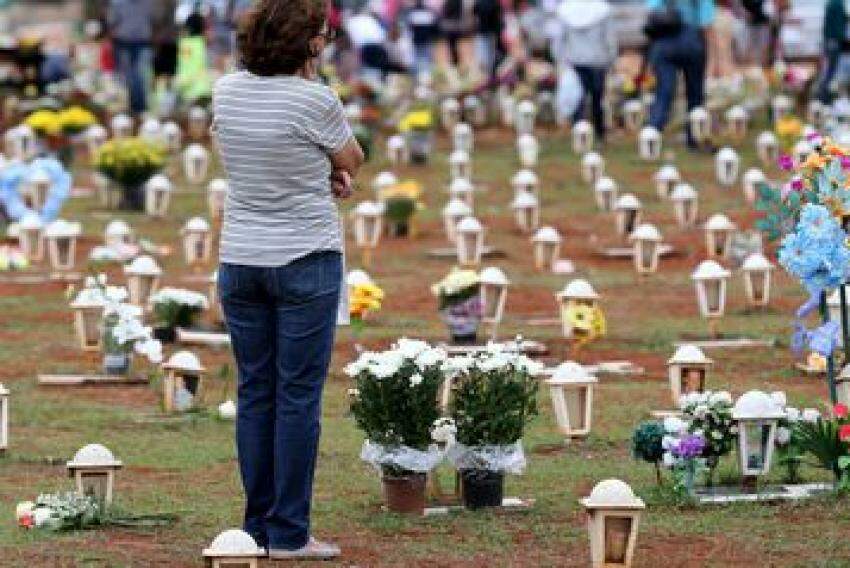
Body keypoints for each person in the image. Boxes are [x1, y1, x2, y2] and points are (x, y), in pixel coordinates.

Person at [212, 0, 364, 560]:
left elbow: (234, 154)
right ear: (310, 45)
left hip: (242, 259)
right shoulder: (315, 98)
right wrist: (330, 172)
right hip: (305, 256)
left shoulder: (227, 91)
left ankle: (256, 526)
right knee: (297, 397)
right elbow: (354, 157)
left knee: (256, 392)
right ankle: (290, 533)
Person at [645, 0, 715, 150]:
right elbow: (706, 21)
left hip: (664, 40)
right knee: (695, 94)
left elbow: (651, 9)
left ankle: (651, 136)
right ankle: (696, 137)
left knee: (664, 91)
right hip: (691, 39)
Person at [554, 0, 618, 140]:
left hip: (575, 59)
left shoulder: (565, 10)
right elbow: (609, 37)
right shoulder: (603, 10)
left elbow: (559, 39)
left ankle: (579, 133)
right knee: (597, 98)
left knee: (578, 97)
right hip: (598, 60)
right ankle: (599, 132)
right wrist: (612, 58)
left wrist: (560, 59)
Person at [107, 0, 154, 115]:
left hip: (143, 43)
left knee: (141, 74)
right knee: (128, 76)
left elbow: (154, 21)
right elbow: (111, 22)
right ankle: (131, 107)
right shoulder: (118, 3)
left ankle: (141, 108)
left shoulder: (148, 3)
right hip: (124, 43)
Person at [818, 0, 849, 104]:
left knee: (828, 70)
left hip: (829, 40)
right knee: (830, 71)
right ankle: (824, 96)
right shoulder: (838, 4)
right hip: (835, 41)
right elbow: (839, 24)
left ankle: (823, 95)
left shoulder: (831, 3)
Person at [406, 0, 440, 78]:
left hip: (417, 40)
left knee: (417, 59)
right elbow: (435, 27)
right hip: (426, 40)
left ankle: (419, 76)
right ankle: (426, 76)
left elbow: (409, 28)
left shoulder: (412, 13)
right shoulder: (429, 13)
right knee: (427, 58)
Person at [473, 0, 505, 82]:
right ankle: (488, 77)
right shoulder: (493, 3)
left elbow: (475, 15)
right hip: (487, 33)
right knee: (487, 58)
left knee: (487, 58)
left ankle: (489, 78)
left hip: (487, 32)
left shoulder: (490, 3)